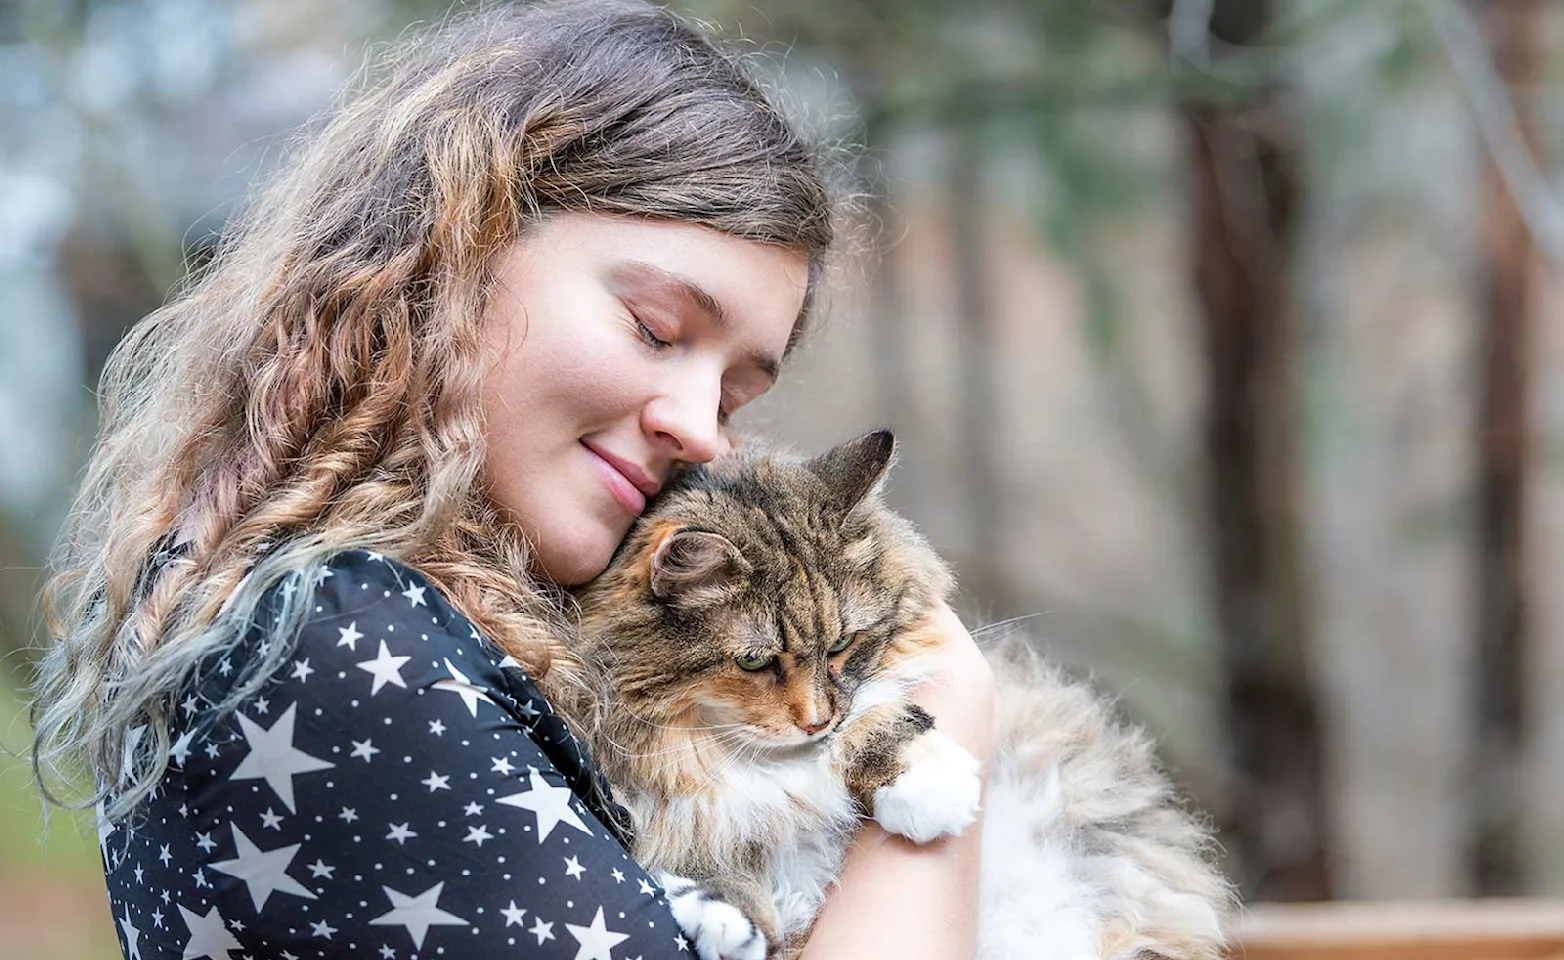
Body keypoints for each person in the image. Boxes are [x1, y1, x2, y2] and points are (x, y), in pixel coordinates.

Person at [31, 2, 995, 958]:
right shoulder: (335, 637)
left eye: (736, 397)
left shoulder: (391, 620)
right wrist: (944, 713)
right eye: (656, 329)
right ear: (456, 248)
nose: (702, 433)